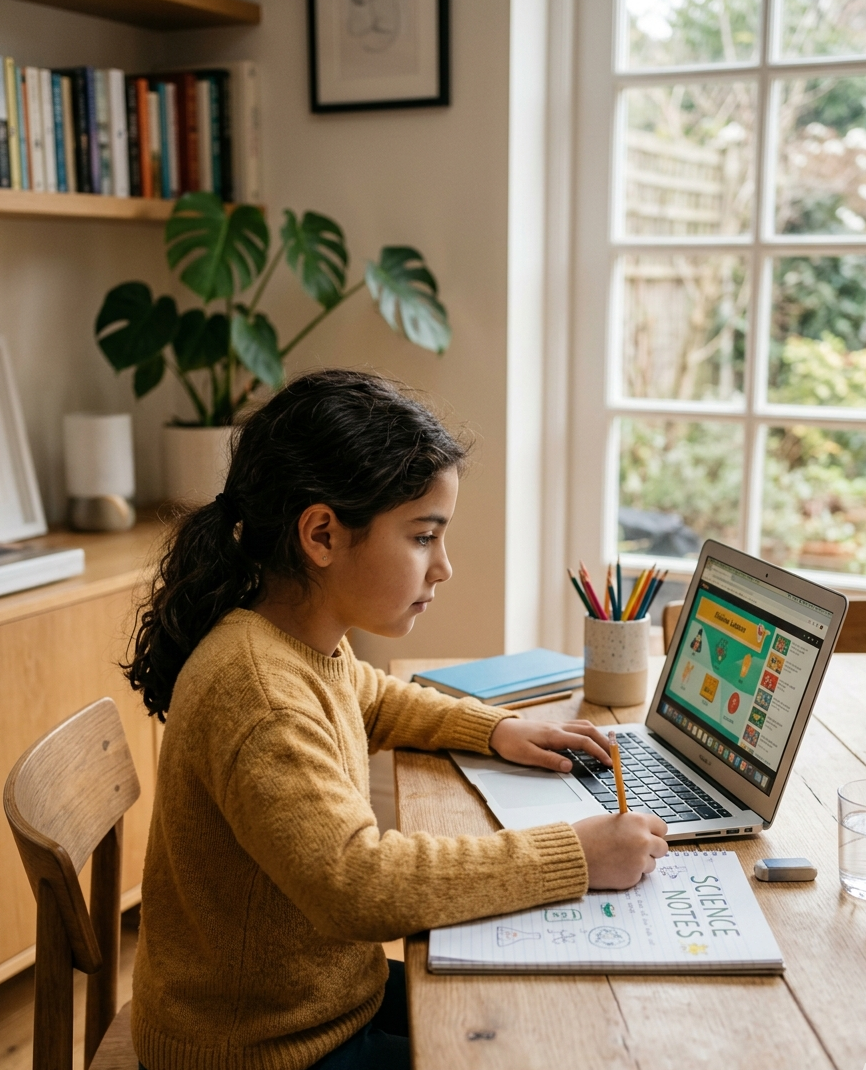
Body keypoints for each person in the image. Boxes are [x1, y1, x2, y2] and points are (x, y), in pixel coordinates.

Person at [127, 369, 667, 1070]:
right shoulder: (259, 693)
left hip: (315, 1003)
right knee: (543, 1044)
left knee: (543, 1010)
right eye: (422, 537)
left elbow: (371, 697)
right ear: (322, 534)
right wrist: (576, 856)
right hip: (259, 1048)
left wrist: (493, 729)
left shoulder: (292, 638)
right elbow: (359, 885)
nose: (443, 568)